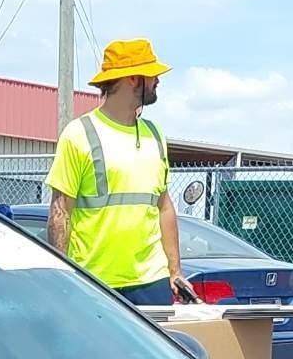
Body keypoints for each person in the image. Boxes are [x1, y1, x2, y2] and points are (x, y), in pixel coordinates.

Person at [46, 38, 196, 306]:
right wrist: (61, 278)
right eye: (152, 75)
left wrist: (174, 272)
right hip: (94, 279)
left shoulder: (155, 135)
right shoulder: (79, 134)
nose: (157, 81)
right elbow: (60, 211)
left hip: (151, 281)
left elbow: (164, 206)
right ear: (132, 80)